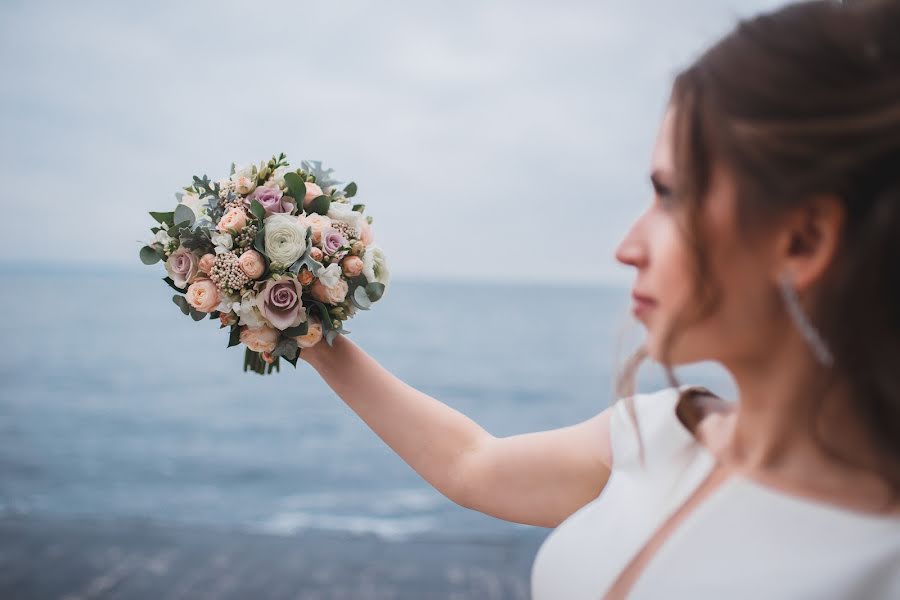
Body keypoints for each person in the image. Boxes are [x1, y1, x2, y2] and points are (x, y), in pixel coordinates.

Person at [299, 0, 900, 596]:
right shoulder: (660, 432)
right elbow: (470, 464)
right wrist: (311, 331)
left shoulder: (876, 562)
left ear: (805, 238)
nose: (627, 247)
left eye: (669, 196)